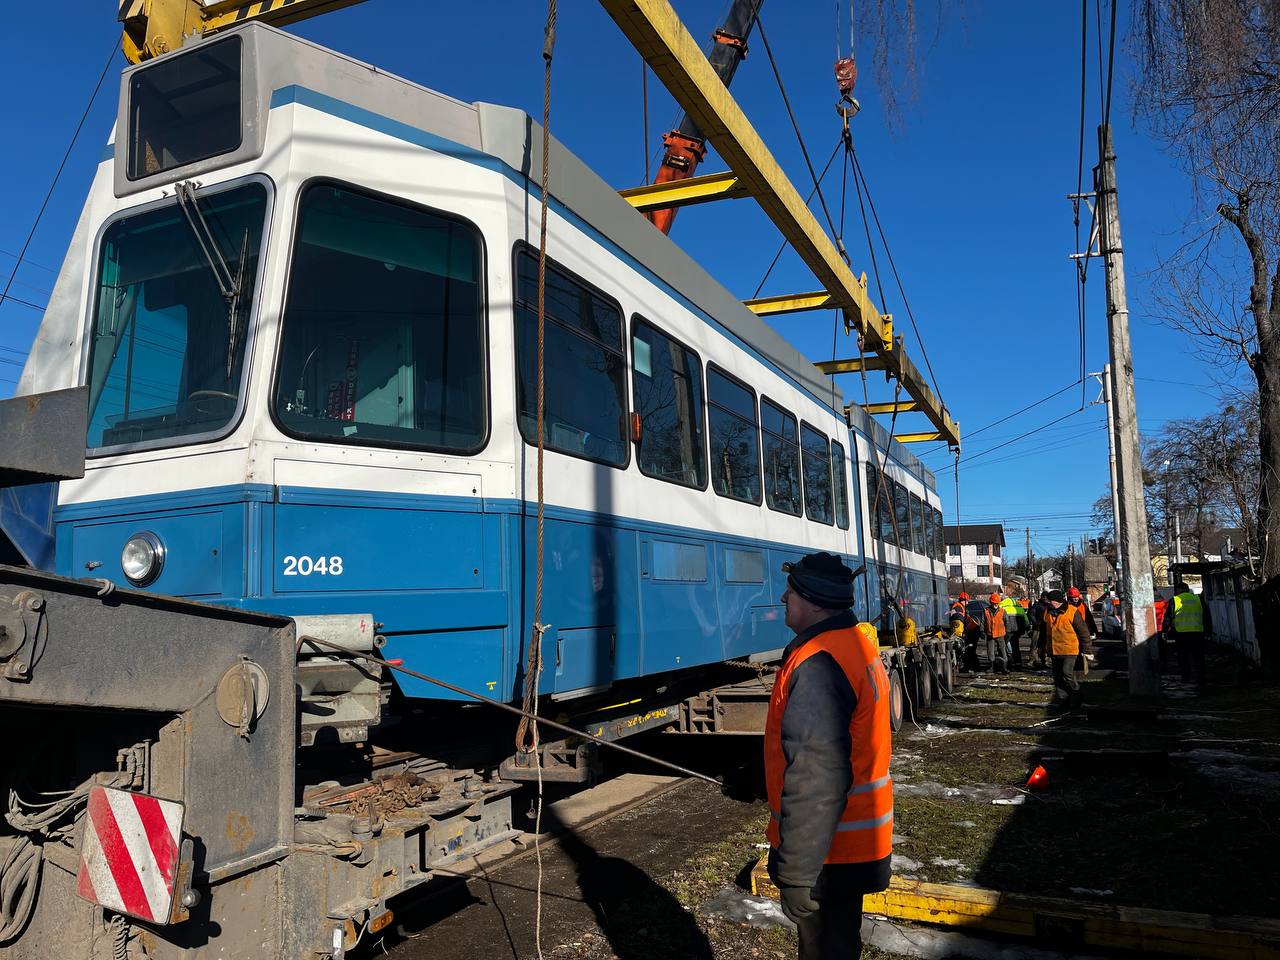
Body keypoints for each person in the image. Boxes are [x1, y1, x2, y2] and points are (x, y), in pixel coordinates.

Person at [765, 552, 892, 959]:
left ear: (815, 602)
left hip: (828, 854)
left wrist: (798, 873)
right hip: (849, 841)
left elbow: (817, 776)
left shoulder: (820, 664)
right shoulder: (853, 646)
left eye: (791, 593)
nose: (783, 598)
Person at [1042, 589, 1090, 710]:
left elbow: (1083, 631)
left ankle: (1077, 697)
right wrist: (1042, 647)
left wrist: (1087, 649)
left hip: (1070, 649)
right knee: (1058, 677)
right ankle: (1063, 700)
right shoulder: (1047, 611)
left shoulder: (1072, 611)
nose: (1048, 603)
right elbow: (1044, 630)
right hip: (1054, 649)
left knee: (1067, 673)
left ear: (1056, 601)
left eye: (1050, 601)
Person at [1164, 580, 1211, 689]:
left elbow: (1168, 618)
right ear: (1188, 589)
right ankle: (1201, 678)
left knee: (1183, 656)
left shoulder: (1174, 600)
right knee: (1198, 656)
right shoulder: (1198, 599)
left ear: (1178, 590)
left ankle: (1186, 677)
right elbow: (1206, 616)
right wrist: (1209, 631)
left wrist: (1165, 632)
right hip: (1197, 633)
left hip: (1181, 633)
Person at [1066, 587, 1097, 670]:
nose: (1076, 599)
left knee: (1084, 648)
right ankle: (1077, 665)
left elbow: (1089, 618)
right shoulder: (1067, 607)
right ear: (1069, 597)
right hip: (1072, 631)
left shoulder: (1083, 605)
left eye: (1077, 597)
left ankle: (1083, 664)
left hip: (1083, 630)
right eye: (1073, 597)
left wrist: (1093, 630)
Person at [983, 593, 1009, 674]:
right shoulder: (986, 611)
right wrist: (981, 631)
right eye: (994, 603)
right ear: (991, 602)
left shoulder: (1002, 611)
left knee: (1002, 650)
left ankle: (1004, 667)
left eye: (997, 603)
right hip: (990, 634)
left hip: (1000, 634)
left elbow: (1007, 622)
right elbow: (983, 622)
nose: (995, 605)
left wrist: (1007, 632)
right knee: (990, 651)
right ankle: (992, 667)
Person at [998, 594, 1025, 667]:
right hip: (1017, 629)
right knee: (1016, 646)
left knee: (1004, 646)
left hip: (1007, 629)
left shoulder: (1001, 606)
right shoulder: (1018, 606)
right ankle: (1018, 663)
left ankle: (1008, 662)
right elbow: (1026, 619)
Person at [1027, 592, 1050, 667]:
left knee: (1045, 645)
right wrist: (1036, 623)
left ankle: (1044, 661)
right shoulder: (1037, 605)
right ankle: (1032, 660)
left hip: (1046, 628)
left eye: (1046, 597)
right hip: (1038, 628)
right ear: (1042, 597)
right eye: (1044, 597)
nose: (1045, 599)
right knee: (1035, 645)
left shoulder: (1049, 606)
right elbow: (1031, 615)